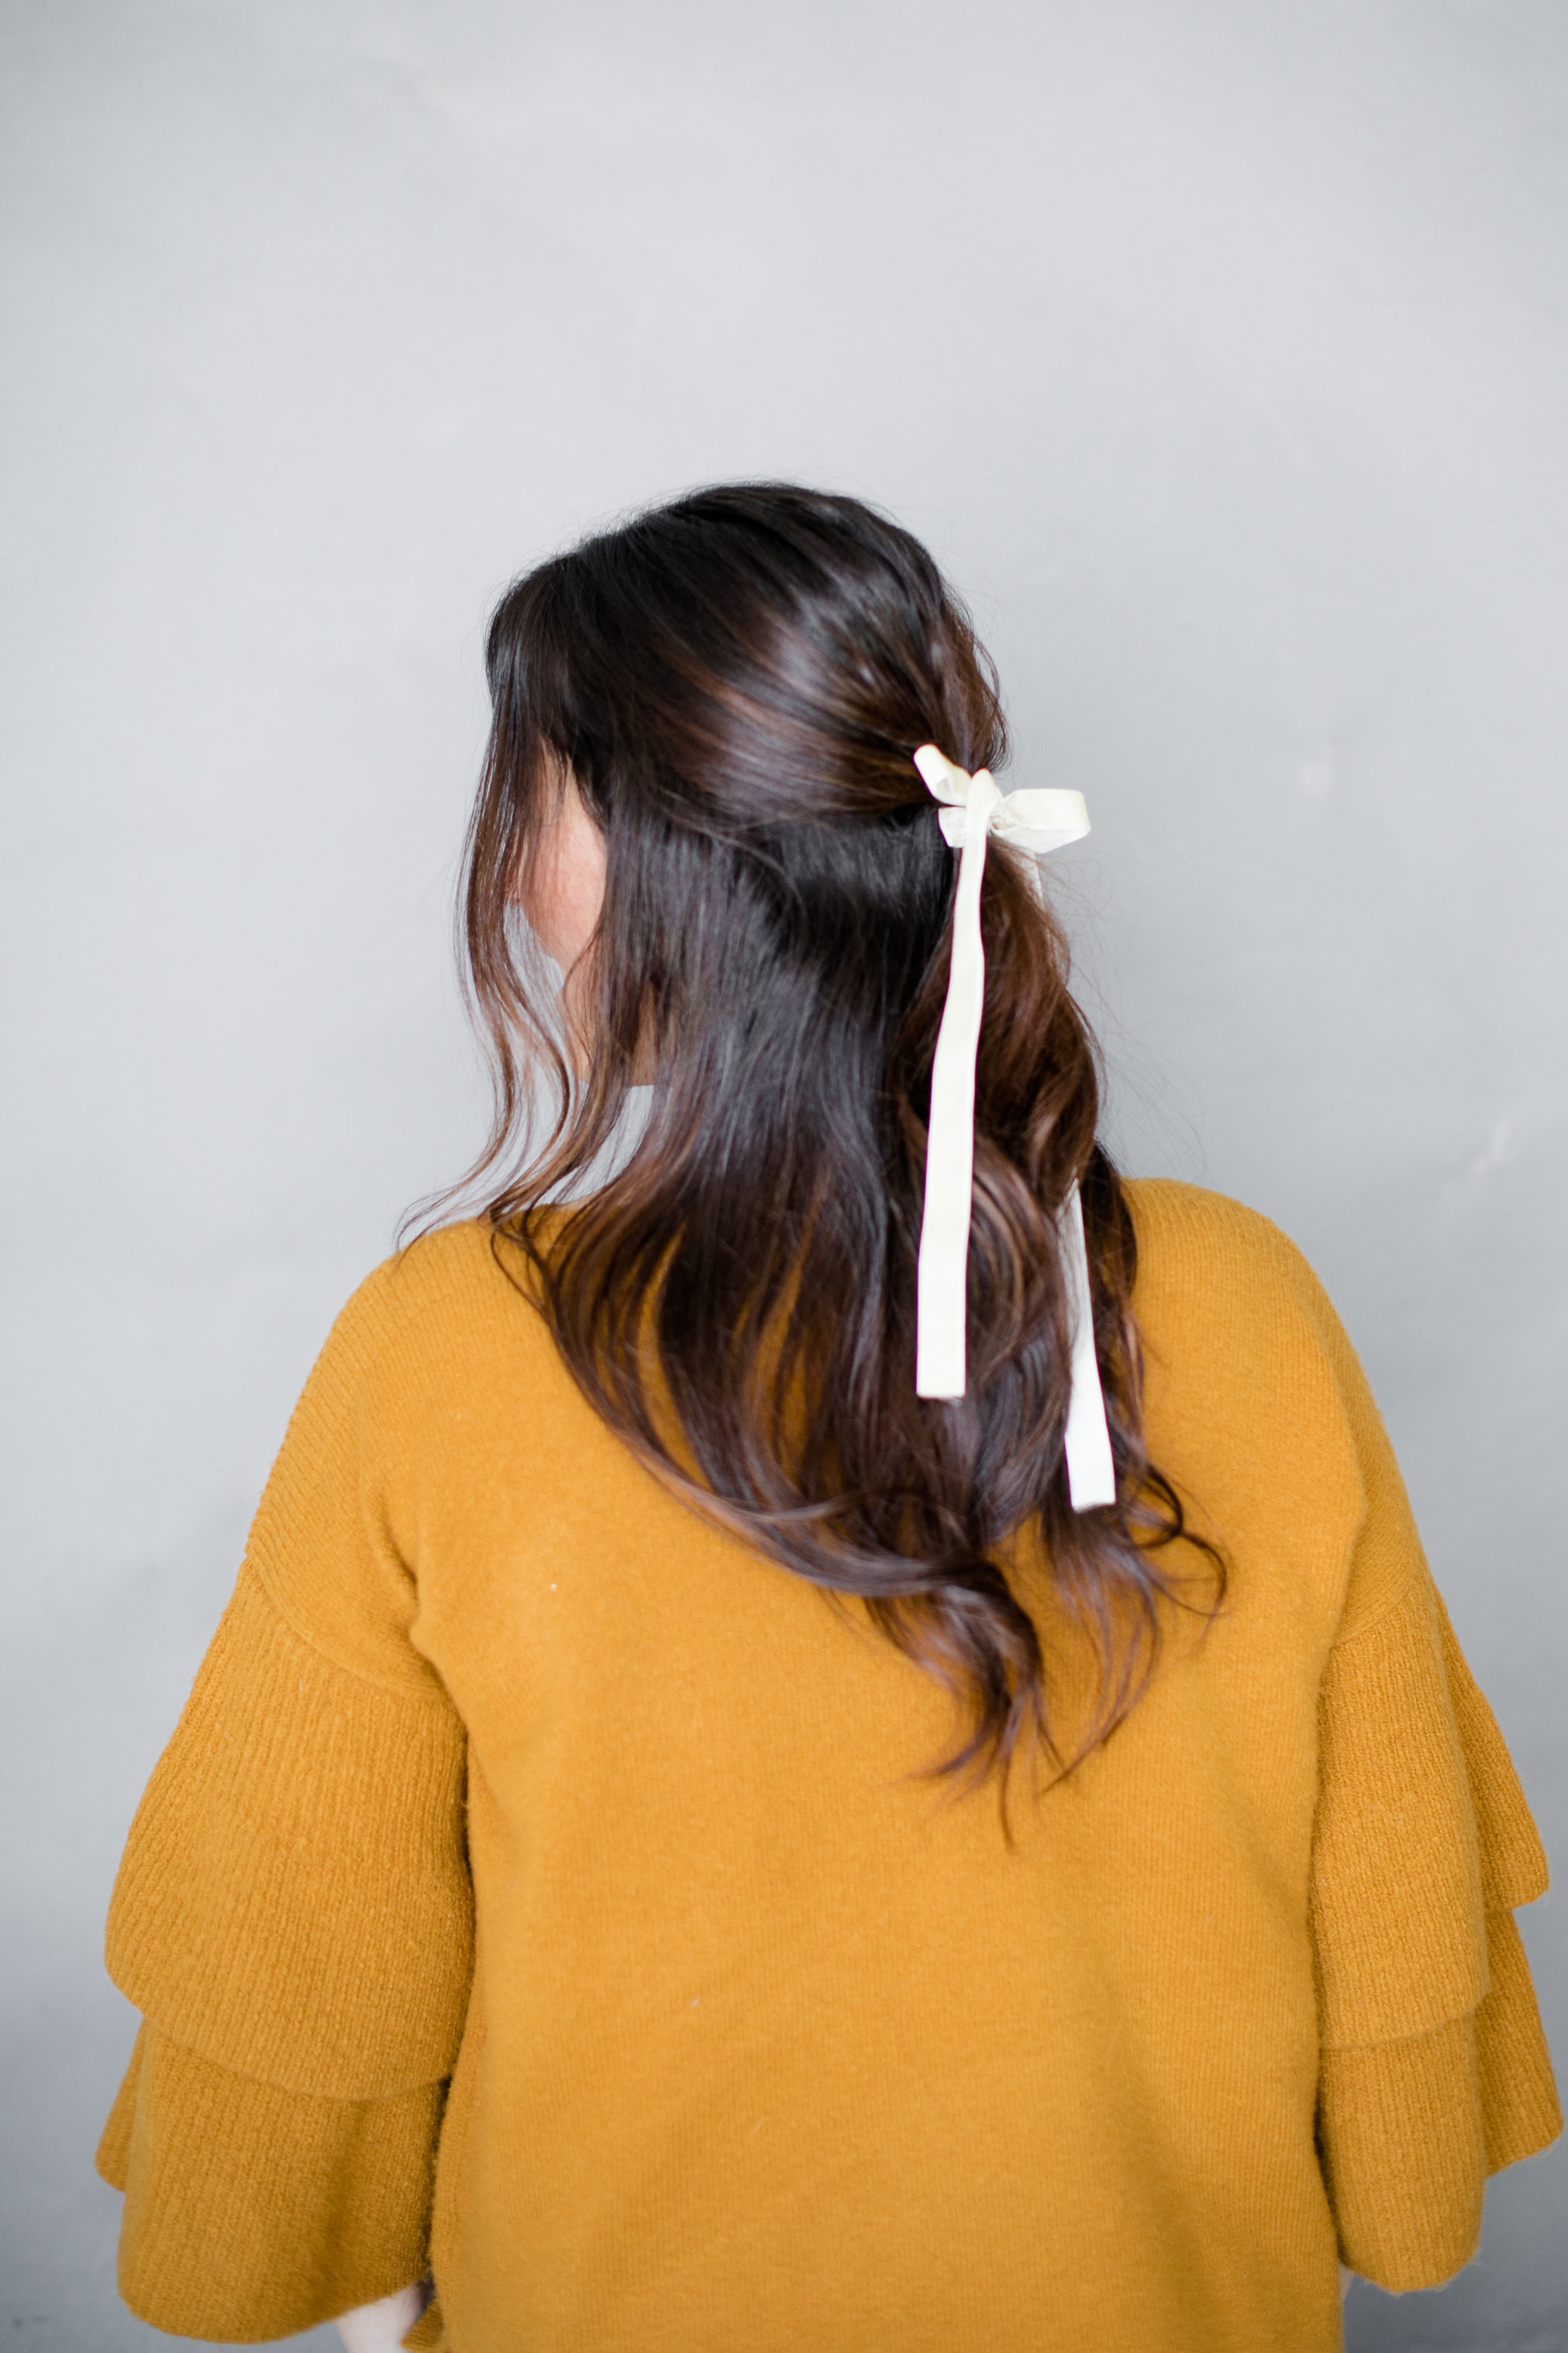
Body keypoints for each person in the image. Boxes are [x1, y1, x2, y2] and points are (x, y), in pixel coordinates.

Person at [96, 485, 1559, 2353]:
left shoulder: (444, 1351)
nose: (516, 879)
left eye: (532, 798)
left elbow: (305, 1957)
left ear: (655, 852)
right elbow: (1394, 1922)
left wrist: (310, 2263)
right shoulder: (1248, 1302)